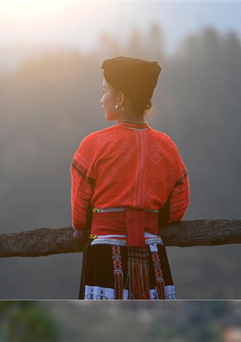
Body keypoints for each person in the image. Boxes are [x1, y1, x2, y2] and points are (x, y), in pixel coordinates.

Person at [71, 56, 190, 301]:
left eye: (104, 92)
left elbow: (80, 214)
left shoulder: (93, 145)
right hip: (152, 255)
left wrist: (86, 227)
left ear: (121, 98)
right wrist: (149, 219)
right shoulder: (167, 147)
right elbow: (179, 203)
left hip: (104, 256)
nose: (101, 100)